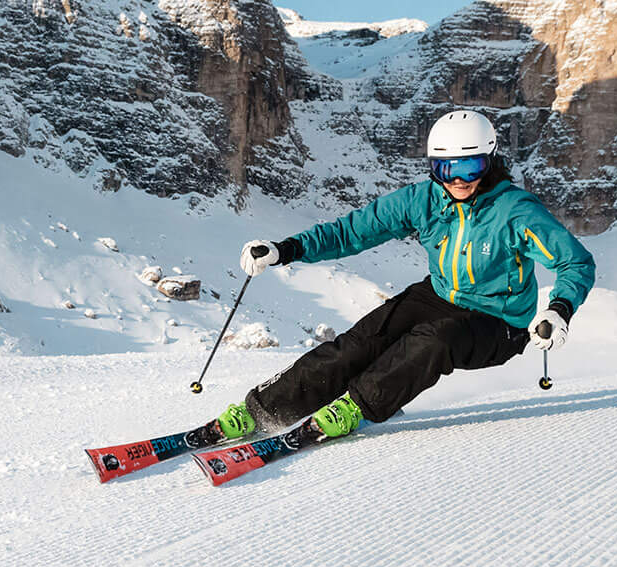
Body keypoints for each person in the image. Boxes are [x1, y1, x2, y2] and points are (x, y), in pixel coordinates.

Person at [216, 109, 595, 445]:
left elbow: (575, 262)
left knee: (434, 340)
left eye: (470, 168)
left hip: (500, 320)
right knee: (360, 343)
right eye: (446, 169)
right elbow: (353, 231)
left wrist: (559, 309)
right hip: (441, 295)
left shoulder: (515, 211)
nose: (458, 180)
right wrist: (285, 250)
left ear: (490, 161)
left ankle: (356, 407)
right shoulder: (424, 200)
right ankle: (263, 411)